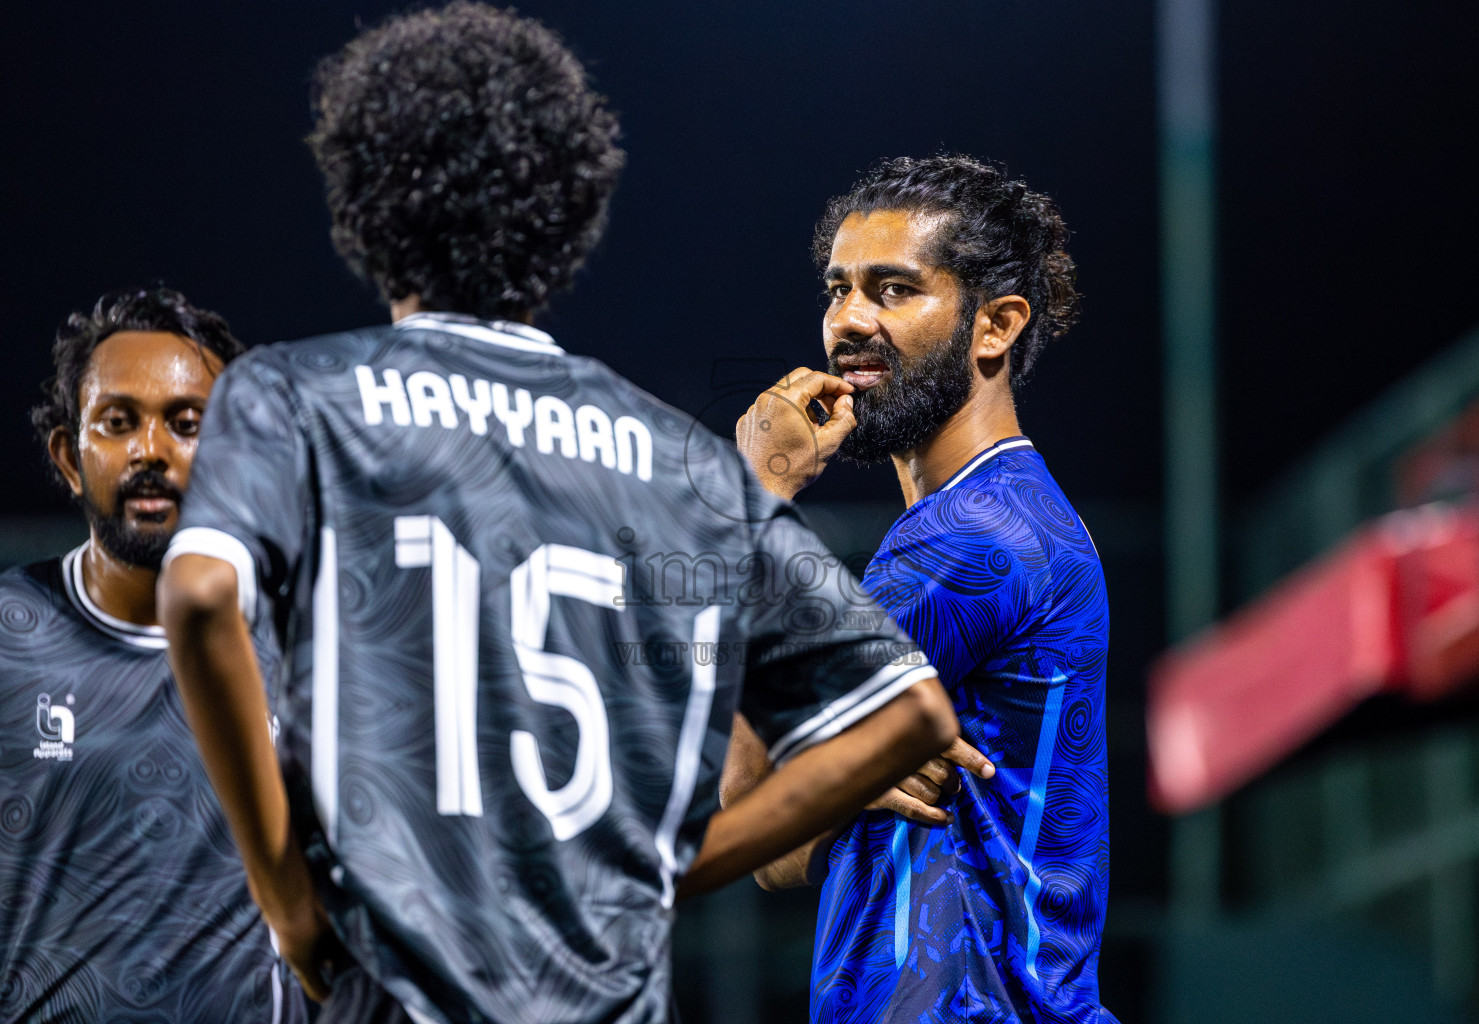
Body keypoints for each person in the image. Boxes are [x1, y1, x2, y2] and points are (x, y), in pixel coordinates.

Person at [156, 5, 957, 1023]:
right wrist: (674, 867)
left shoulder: (296, 396)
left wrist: (287, 902)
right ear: (567, 210)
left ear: (364, 197)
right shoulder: (675, 457)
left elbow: (198, 590)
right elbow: (911, 712)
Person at [729, 155, 1117, 1023]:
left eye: (895, 290)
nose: (849, 322)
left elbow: (753, 812)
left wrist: (755, 498)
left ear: (995, 326)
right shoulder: (992, 514)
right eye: (839, 290)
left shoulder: (972, 538)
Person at [0, 288, 306, 1022]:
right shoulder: (8, 635)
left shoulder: (305, 642)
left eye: (186, 423)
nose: (150, 451)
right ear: (69, 458)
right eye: (117, 422)